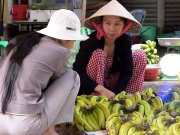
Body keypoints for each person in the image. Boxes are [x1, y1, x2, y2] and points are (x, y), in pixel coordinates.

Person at [0, 9, 88, 135]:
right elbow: (54, 84)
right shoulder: (60, 51)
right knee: (72, 76)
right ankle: (50, 129)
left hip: (1, 121)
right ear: (68, 39)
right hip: (24, 126)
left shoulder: (23, 42)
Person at [73, 0, 147, 99]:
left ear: (124, 25)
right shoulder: (90, 42)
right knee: (98, 53)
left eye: (117, 24)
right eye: (108, 23)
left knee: (140, 55)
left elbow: (127, 71)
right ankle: (98, 99)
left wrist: (116, 93)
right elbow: (78, 71)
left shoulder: (125, 40)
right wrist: (100, 89)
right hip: (94, 87)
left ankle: (128, 97)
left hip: (116, 84)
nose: (112, 29)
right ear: (102, 23)